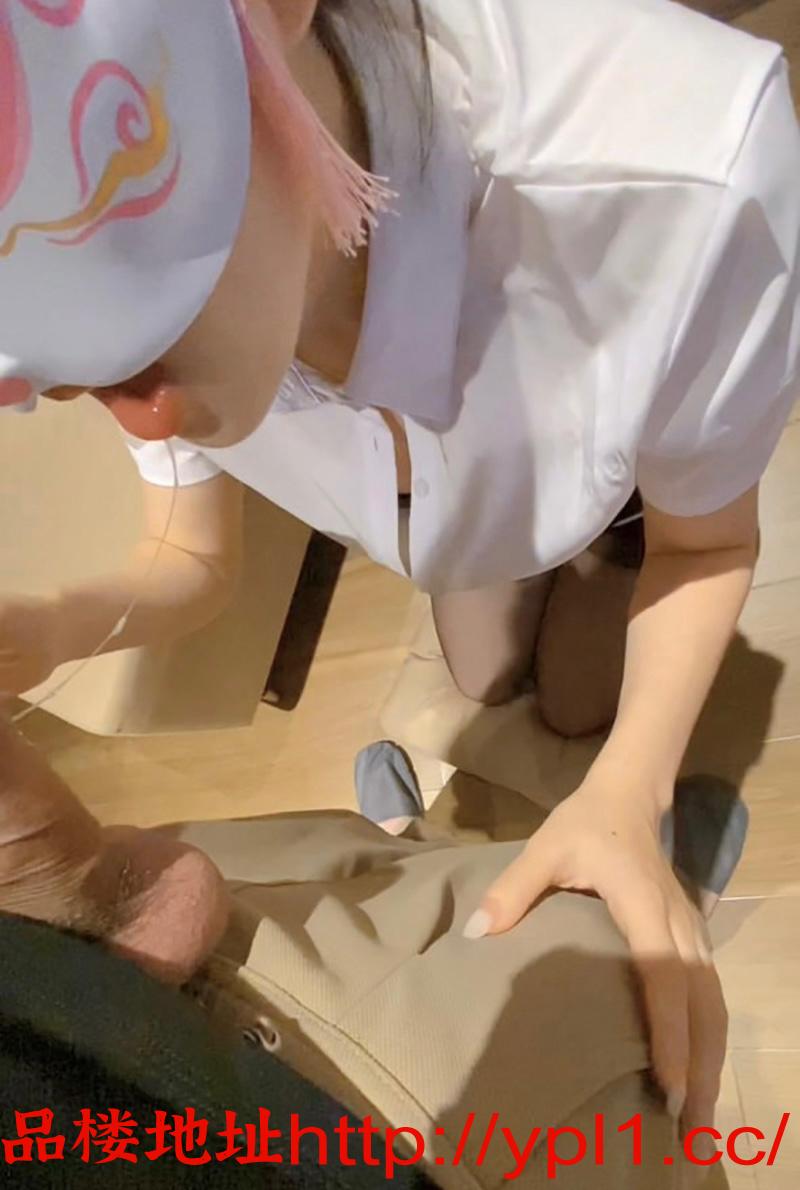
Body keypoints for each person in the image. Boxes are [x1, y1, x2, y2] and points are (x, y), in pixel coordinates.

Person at [1, 0, 799, 1139]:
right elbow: (191, 549)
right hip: (468, 515)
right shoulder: (161, 294)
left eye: (142, 328)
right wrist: (59, 622)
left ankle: (600, 745)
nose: (136, 409)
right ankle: (419, 843)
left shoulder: (686, 179)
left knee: (585, 703)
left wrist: (630, 790)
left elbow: (707, 542)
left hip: (635, 492)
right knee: (480, 675)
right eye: (67, 382)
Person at [0, 711, 706, 1188]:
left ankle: (403, 838)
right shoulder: (537, 1067)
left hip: (118, 936)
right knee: (606, 935)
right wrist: (629, 805)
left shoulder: (152, 864)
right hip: (396, 1104)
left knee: (352, 856)